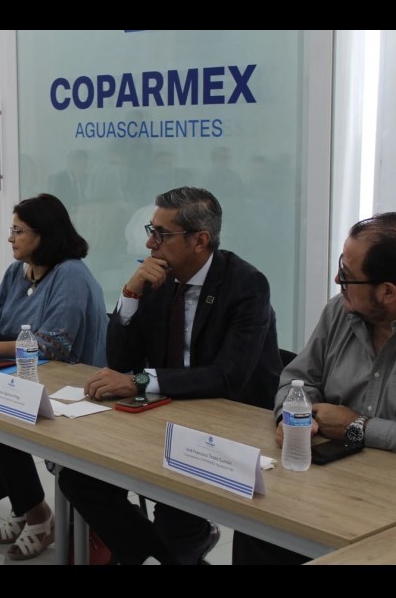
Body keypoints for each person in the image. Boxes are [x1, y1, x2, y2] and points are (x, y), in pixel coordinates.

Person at [58, 186, 282, 565]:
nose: (150, 243)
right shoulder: (158, 278)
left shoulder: (246, 284)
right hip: (168, 413)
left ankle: (176, 547)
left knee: (174, 517)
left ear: (200, 240)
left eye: (162, 234)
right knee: (79, 479)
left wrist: (140, 382)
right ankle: (160, 555)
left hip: (230, 422)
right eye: (152, 230)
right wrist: (130, 295)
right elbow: (121, 360)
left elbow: (228, 376)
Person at [0, 193, 108, 561]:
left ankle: (36, 515)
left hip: (73, 389)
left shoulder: (71, 274)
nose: (10, 238)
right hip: (23, 379)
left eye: (18, 231)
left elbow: (54, 345)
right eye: (12, 229)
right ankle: (29, 507)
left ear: (43, 234)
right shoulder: (17, 272)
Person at [233, 212, 396, 565]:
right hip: (329, 482)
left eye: (347, 275)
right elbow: (298, 381)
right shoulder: (340, 311)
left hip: (386, 507)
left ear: (387, 291)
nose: (337, 279)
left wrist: (359, 427)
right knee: (256, 529)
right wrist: (293, 417)